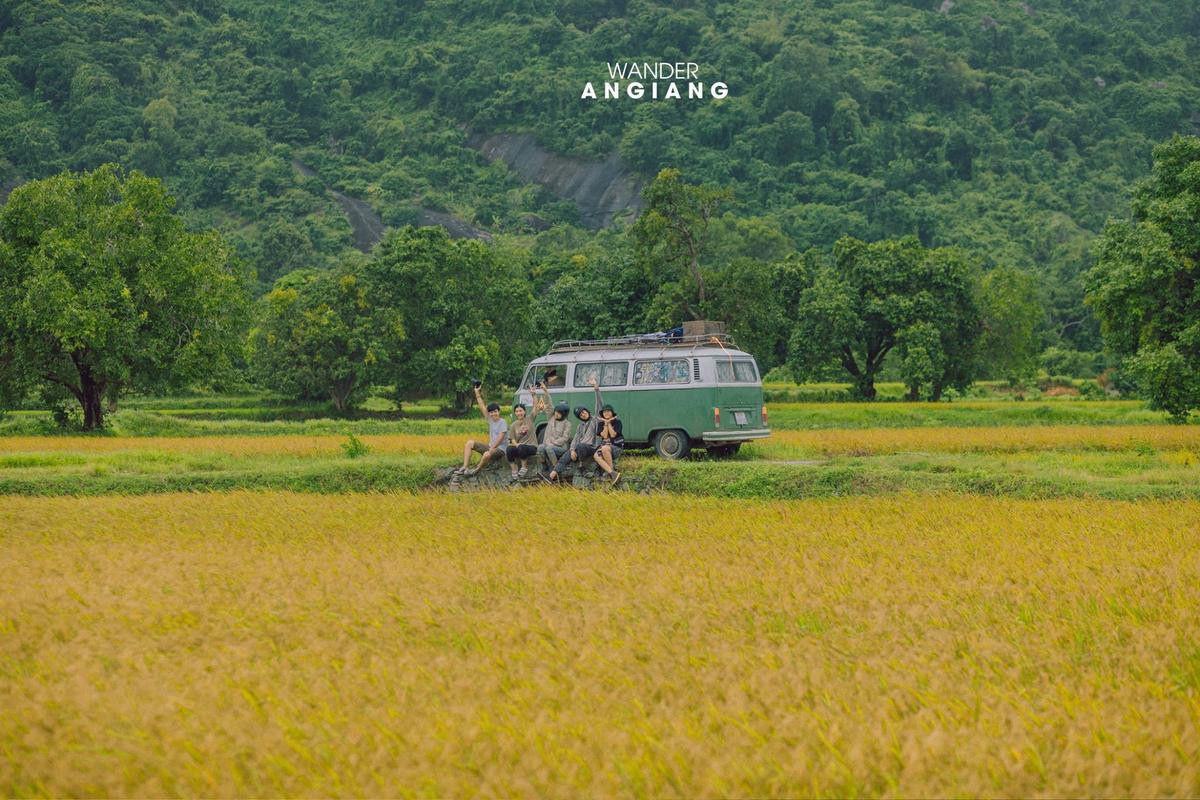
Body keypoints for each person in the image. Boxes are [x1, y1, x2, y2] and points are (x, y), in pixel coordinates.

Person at [549, 376, 603, 483]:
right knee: (566, 455)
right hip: (579, 449)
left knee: (580, 446)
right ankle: (551, 476)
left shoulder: (595, 420)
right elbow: (575, 439)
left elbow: (599, 405)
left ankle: (581, 466)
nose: (583, 414)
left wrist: (596, 388)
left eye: (583, 412)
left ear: (587, 411)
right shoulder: (580, 426)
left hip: (592, 448)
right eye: (580, 415)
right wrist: (573, 450)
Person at [456, 383, 507, 475]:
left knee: (487, 454)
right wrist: (477, 392)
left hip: (500, 450)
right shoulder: (490, 420)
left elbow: (501, 437)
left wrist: (491, 448)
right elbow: (482, 407)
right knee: (469, 443)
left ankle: (476, 470)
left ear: (498, 412)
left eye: (495, 412)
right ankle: (465, 466)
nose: (493, 414)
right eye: (491, 412)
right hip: (490, 447)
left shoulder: (502, 422)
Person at [535, 380, 572, 477]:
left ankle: (556, 468)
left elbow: (565, 438)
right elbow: (549, 405)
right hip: (548, 445)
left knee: (549, 448)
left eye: (559, 413)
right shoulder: (551, 417)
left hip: (560, 448)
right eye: (556, 412)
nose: (556, 414)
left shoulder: (567, 424)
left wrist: (553, 443)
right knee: (540, 447)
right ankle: (544, 466)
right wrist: (545, 392)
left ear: (564, 414)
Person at [504, 402, 539, 480]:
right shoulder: (513, 425)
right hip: (519, 446)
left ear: (524, 411)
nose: (519, 413)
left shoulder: (530, 419)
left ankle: (524, 467)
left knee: (521, 447)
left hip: (531, 446)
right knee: (509, 449)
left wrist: (534, 395)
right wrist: (517, 445)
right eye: (517, 411)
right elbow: (512, 439)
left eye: (520, 411)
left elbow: (536, 407)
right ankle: (514, 469)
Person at [594, 401, 623, 485]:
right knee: (596, 455)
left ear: (612, 413)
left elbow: (613, 435)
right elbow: (604, 435)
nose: (606, 413)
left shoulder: (618, 422)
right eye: (604, 412)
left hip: (616, 446)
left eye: (608, 411)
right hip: (605, 447)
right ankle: (612, 473)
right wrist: (605, 423)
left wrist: (608, 422)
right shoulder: (600, 424)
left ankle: (612, 474)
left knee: (604, 448)